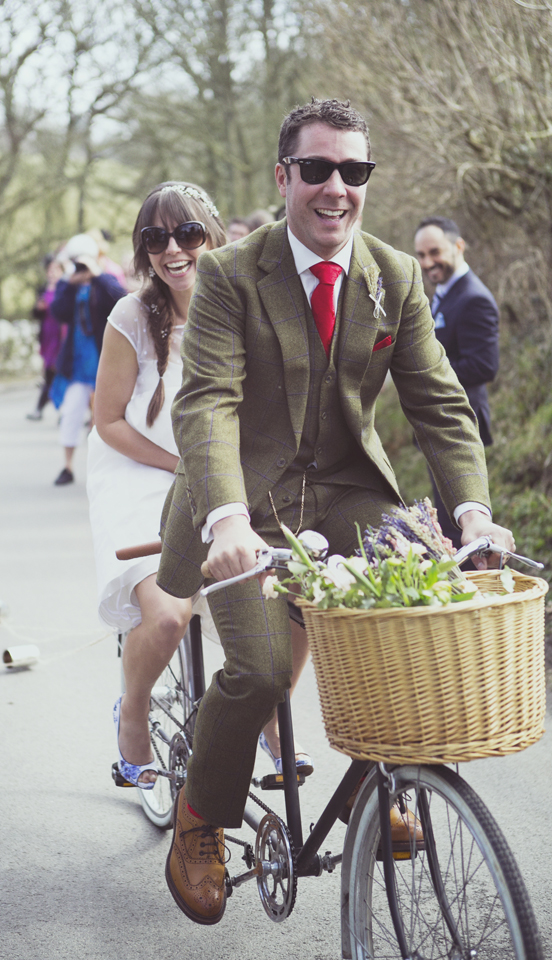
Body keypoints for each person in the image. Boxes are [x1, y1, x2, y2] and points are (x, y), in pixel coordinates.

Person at [157, 97, 515, 925]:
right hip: (245, 502)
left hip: (349, 489)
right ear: (284, 176)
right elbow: (207, 404)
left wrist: (473, 517)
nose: (335, 188)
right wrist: (227, 523)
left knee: (424, 611)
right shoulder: (228, 274)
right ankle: (200, 819)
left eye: (353, 171)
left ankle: (382, 776)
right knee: (261, 670)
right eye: (316, 169)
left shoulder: (393, 275)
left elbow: (441, 407)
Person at [86, 182, 228, 788]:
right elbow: (109, 420)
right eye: (156, 237)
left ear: (211, 236)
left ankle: (271, 733)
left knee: (282, 606)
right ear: (144, 250)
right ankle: (134, 714)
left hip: (217, 469)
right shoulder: (131, 315)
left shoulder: (239, 302)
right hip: (140, 470)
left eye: (188, 233)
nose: (174, 249)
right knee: (169, 617)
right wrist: (178, 468)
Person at [414, 216, 500, 550]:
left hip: (462, 421)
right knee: (448, 513)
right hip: (439, 420)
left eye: (435, 252)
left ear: (458, 246)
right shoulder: (444, 293)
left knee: (461, 519)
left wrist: (427, 371)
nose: (427, 262)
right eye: (421, 255)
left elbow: (484, 366)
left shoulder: (474, 298)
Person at [50, 234, 125, 485]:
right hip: (77, 361)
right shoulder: (67, 284)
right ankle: (67, 466)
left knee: (106, 417)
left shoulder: (104, 280)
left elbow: (121, 299)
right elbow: (58, 312)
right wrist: (71, 284)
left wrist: (98, 275)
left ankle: (105, 466)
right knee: (71, 411)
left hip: (104, 359)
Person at [26, 257, 66, 421]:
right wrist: (39, 308)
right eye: (50, 270)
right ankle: (47, 409)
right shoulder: (43, 289)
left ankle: (54, 409)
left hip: (61, 334)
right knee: (50, 371)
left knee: (58, 372)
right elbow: (35, 314)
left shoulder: (65, 288)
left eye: (56, 270)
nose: (52, 273)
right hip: (47, 334)